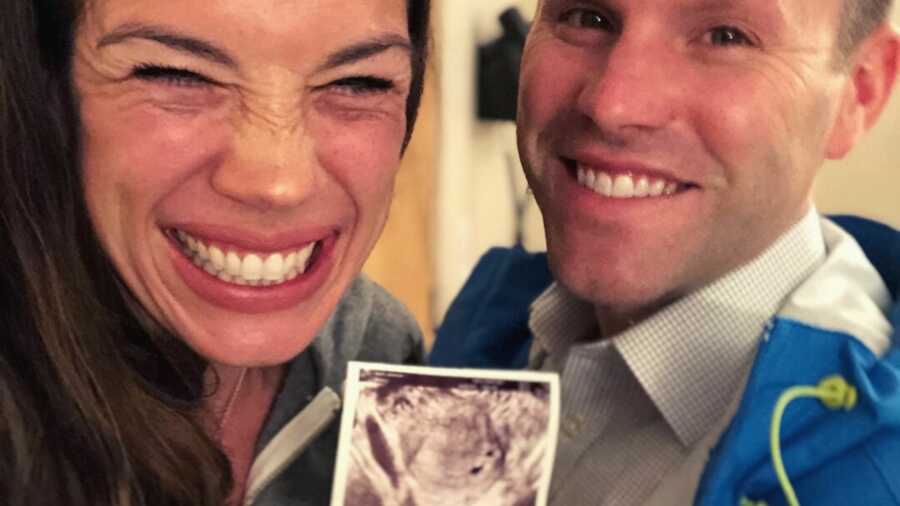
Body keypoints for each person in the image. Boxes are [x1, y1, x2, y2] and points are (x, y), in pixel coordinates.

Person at [431, 0, 900, 504]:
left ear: (860, 89)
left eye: (725, 36)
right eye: (586, 17)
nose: (613, 104)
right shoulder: (493, 328)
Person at [0, 0, 429, 505]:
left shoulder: (378, 352)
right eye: (174, 73)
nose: (278, 182)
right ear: (46, 85)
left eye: (359, 82)